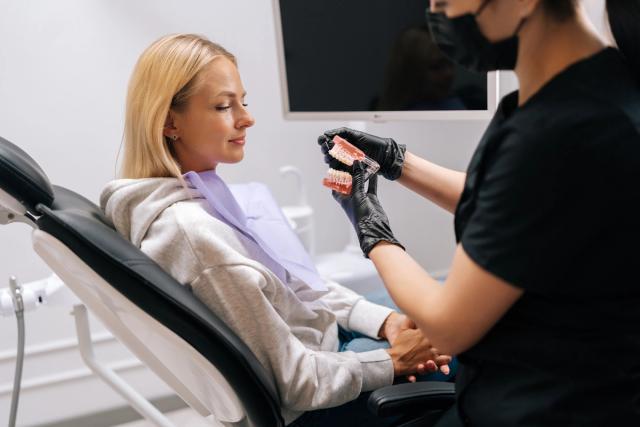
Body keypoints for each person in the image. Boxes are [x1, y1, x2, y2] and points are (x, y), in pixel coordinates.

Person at [99, 34, 452, 426]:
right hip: (318, 400)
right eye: (223, 106)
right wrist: (394, 361)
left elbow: (296, 285)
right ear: (169, 122)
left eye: (243, 102)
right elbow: (296, 384)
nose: (246, 118)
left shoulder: (205, 198)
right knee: (466, 348)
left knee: (414, 314)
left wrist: (384, 322)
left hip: (327, 344)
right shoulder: (194, 236)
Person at [317, 0, 640, 425]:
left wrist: (369, 225)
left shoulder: (565, 130)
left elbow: (447, 326)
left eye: (447, 0)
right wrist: (399, 162)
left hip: (548, 406)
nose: (437, 12)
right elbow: (519, 204)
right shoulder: (590, 88)